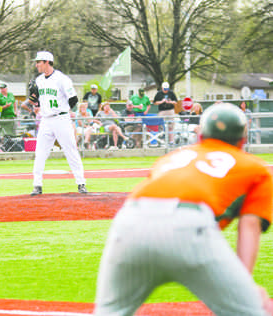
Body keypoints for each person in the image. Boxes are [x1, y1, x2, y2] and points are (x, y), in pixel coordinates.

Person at [94, 103, 273, 316]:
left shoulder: (172, 158)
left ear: (200, 137)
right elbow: (250, 225)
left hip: (129, 223)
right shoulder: (254, 167)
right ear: (242, 141)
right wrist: (246, 287)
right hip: (189, 226)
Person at [29, 51, 87, 195]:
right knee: (40, 152)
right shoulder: (39, 80)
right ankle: (37, 185)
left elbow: (73, 99)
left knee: (70, 150)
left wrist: (66, 110)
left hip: (61, 119)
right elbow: (35, 100)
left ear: (47, 62)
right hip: (46, 120)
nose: (36, 65)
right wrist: (35, 101)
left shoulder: (62, 79)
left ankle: (81, 183)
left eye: (39, 62)